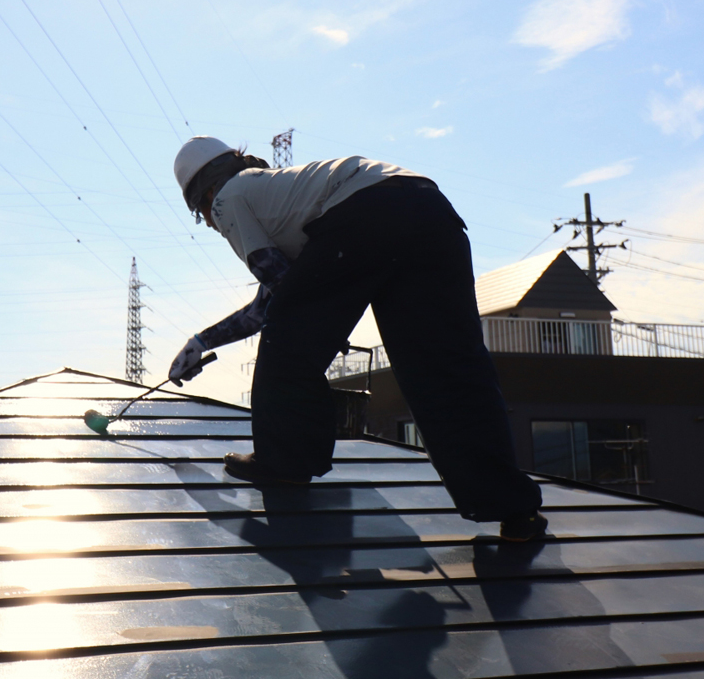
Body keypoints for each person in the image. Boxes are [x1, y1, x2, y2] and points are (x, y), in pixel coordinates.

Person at [168, 136, 546, 542]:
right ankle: (514, 507)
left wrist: (321, 322)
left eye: (201, 213)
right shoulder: (280, 197)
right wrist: (202, 342)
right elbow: (277, 296)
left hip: (367, 213)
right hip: (430, 209)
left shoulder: (228, 197)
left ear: (207, 191)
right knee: (448, 366)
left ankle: (284, 463)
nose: (210, 223)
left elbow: (281, 294)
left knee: (286, 342)